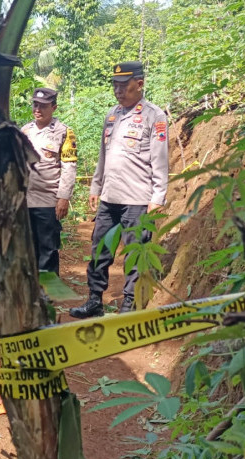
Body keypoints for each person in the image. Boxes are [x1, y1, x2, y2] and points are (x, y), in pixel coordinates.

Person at [70, 61, 169, 318]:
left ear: (140, 83)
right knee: (100, 249)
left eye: (124, 85)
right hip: (110, 197)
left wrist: (158, 197)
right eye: (115, 85)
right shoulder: (112, 116)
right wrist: (96, 186)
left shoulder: (154, 116)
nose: (118, 90)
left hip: (138, 198)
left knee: (134, 253)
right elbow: (104, 156)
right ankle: (94, 300)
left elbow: (160, 161)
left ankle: (128, 305)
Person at [21, 88, 78, 275]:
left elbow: (69, 167)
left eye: (43, 106)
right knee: (28, 246)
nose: (38, 109)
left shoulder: (64, 132)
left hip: (48, 199)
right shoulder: (25, 131)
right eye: (35, 105)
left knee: (48, 246)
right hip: (25, 199)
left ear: (54, 107)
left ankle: (48, 290)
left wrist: (63, 198)